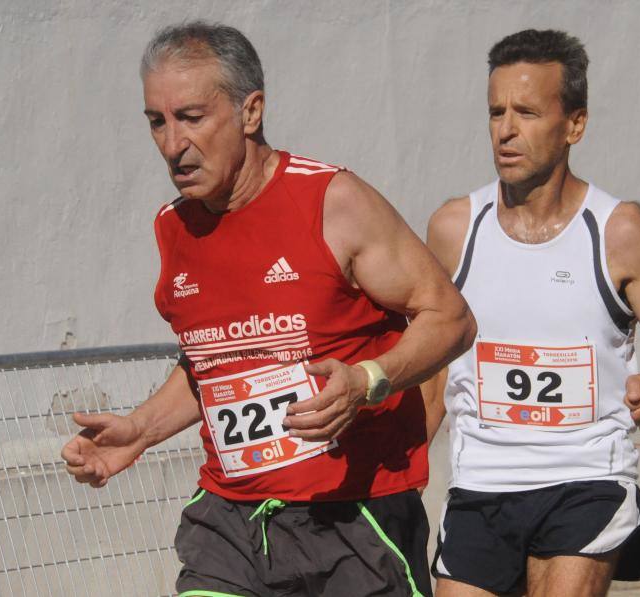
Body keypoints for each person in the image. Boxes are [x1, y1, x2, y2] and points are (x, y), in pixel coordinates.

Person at [61, 21, 475, 597]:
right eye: (157, 121)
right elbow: (212, 359)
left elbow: (451, 319)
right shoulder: (174, 227)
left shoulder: (332, 201)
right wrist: (140, 430)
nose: (172, 143)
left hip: (352, 515)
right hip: (230, 521)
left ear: (250, 111)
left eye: (191, 117)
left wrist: (367, 380)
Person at [423, 29, 640, 597]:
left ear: (575, 124)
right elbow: (430, 370)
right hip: (480, 484)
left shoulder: (618, 231)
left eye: (527, 113)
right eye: (496, 112)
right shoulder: (455, 228)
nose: (506, 130)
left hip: (586, 480)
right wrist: (398, 475)